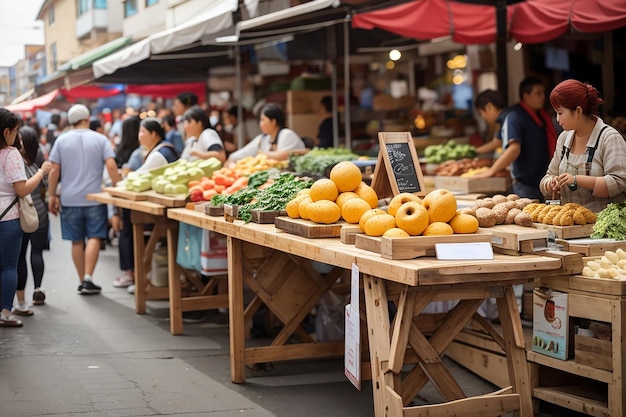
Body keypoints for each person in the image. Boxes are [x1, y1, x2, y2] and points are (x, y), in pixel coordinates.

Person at [47, 104, 121, 295]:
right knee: (95, 236)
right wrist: (119, 187)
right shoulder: (100, 139)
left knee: (76, 241)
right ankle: (88, 278)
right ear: (87, 117)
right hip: (94, 197)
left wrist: (52, 195)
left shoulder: (61, 140)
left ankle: (82, 281)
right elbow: (112, 167)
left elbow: (54, 169)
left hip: (70, 199)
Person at [540, 80, 626, 213]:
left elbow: (618, 182)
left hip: (603, 229)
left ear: (578, 111)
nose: (557, 119)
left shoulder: (609, 138)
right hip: (569, 225)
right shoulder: (564, 138)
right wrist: (551, 184)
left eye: (560, 113)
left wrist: (576, 179)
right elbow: (548, 177)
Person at [0, 108, 51, 327]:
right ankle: (5, 312)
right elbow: (21, 190)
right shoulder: (10, 154)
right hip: (8, 219)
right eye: (15, 131)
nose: (16, 136)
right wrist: (40, 173)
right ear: (6, 132)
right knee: (9, 266)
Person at [117, 118, 180, 293]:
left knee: (132, 228)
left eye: (143, 132)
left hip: (168, 208)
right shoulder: (164, 149)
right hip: (169, 204)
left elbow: (138, 177)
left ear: (154, 134)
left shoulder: (159, 154)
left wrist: (122, 180)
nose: (139, 136)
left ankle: (141, 280)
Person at [473, 76, 557, 201]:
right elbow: (502, 143)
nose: (543, 97)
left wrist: (491, 171)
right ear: (525, 96)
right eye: (538, 93)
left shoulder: (529, 115)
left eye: (543, 93)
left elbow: (513, 149)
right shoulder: (515, 115)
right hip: (528, 183)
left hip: (542, 181)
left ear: (489, 107)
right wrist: (475, 152)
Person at [14, 126, 50, 315]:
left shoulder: (16, 164)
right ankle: (38, 288)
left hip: (21, 216)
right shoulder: (39, 165)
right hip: (40, 215)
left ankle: (21, 300)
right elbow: (47, 188)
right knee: (37, 253)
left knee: (20, 257)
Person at [226, 103, 306, 164]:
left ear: (273, 121)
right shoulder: (263, 138)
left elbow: (282, 156)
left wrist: (261, 154)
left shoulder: (286, 134)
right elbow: (244, 152)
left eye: (263, 120)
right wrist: (232, 158)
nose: (260, 124)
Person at [473, 89, 507, 155]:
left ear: (489, 107)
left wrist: (472, 152)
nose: (483, 117)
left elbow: (497, 143)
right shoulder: (503, 119)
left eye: (481, 113)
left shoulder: (508, 119)